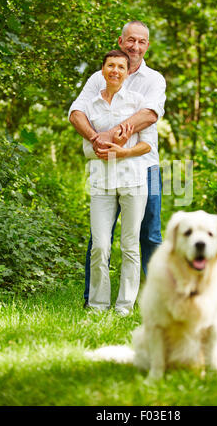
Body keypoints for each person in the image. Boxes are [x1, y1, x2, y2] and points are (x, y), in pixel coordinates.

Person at [69, 21, 166, 307]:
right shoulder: (98, 78)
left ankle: (154, 299)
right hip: (103, 170)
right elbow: (76, 113)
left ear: (147, 45)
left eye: (142, 42)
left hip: (143, 166)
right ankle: (93, 300)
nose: (135, 46)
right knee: (100, 238)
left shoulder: (153, 80)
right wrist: (95, 139)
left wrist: (110, 139)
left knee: (147, 234)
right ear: (121, 41)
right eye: (131, 40)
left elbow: (148, 116)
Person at [80, 49, 153, 315]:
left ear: (127, 72)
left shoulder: (138, 103)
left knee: (130, 245)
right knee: (100, 246)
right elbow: (87, 148)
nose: (115, 71)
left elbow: (147, 145)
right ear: (103, 71)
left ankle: (124, 307)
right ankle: (98, 306)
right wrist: (99, 145)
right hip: (101, 183)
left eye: (120, 67)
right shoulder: (90, 106)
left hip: (133, 182)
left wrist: (123, 152)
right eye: (110, 66)